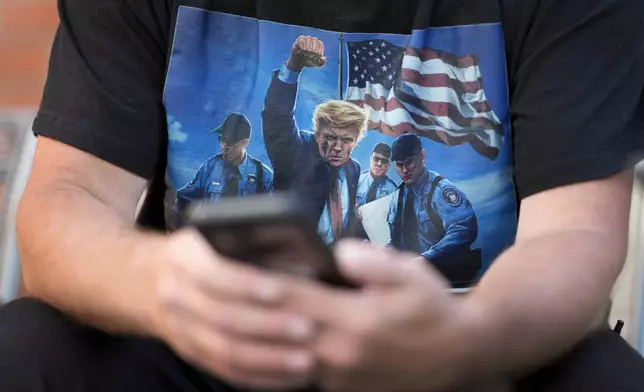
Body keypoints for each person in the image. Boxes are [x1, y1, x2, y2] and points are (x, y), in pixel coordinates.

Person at [2, 1, 644, 392]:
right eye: (328, 131)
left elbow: (574, 233)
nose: (334, 142)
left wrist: (464, 334)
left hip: (456, 345)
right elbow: (69, 196)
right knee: (26, 349)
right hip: (214, 335)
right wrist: (160, 282)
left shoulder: (381, 182)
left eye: (346, 134)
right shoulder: (293, 150)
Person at [262, 37, 367, 243]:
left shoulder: (353, 169)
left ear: (357, 139)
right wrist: (294, 65)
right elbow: (277, 116)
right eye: (329, 137)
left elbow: (343, 216)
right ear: (317, 133)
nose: (337, 147)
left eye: (347, 140)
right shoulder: (296, 151)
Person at [386, 133, 480, 284]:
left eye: (409, 162)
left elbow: (464, 228)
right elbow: (397, 239)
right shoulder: (397, 198)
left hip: (446, 280)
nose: (404, 170)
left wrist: (426, 258)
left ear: (422, 157)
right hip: (411, 282)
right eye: (399, 164)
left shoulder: (440, 190)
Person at [174, 112, 273, 214]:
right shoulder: (209, 167)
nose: (224, 146)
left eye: (230, 141)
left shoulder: (263, 175)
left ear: (245, 143)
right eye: (222, 139)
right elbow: (183, 200)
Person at [355, 143, 398, 207]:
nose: (379, 164)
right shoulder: (357, 180)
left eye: (384, 161)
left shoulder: (393, 190)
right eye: (376, 159)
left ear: (388, 165)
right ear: (370, 159)